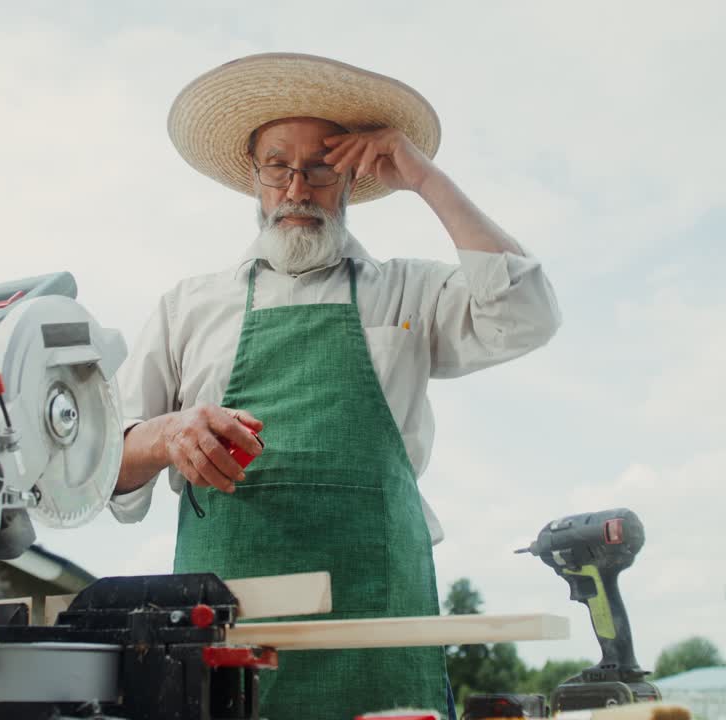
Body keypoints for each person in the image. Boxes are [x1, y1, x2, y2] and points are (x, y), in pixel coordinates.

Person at [109, 52, 562, 719]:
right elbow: (98, 468)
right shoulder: (187, 307)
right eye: (278, 167)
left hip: (379, 628)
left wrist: (424, 177)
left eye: (320, 166)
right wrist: (165, 434)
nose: (297, 189)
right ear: (253, 178)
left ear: (350, 176)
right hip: (226, 644)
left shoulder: (409, 290)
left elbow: (528, 316)